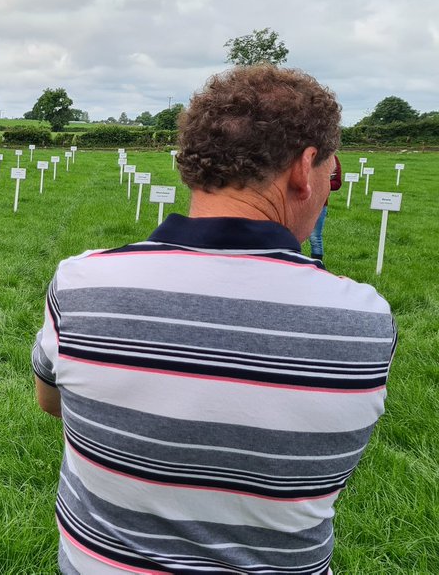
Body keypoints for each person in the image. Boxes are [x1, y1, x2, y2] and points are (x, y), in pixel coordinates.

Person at [31, 65, 397, 574]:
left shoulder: (79, 284)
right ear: (304, 167)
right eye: (331, 174)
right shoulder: (366, 322)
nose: (328, 187)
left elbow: (51, 401)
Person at [307, 155, 342, 263]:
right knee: (293, 236)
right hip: (297, 203)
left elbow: (337, 183)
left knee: (315, 237)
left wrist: (322, 183)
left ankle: (317, 265)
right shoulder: (300, 154)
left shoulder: (332, 159)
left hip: (320, 204)